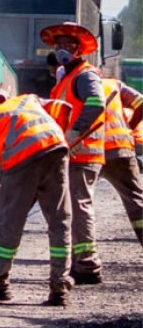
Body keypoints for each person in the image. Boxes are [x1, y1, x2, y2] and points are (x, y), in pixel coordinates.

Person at [0, 93, 73, 306]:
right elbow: (64, 107)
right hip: (56, 147)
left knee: (8, 224)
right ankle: (60, 289)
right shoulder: (27, 99)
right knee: (60, 222)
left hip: (21, 157)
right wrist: (68, 136)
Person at [40, 22, 107, 285]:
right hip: (69, 152)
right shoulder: (66, 76)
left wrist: (74, 133)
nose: (63, 49)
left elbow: (96, 103)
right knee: (72, 208)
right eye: (59, 44)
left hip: (83, 151)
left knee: (79, 208)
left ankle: (88, 266)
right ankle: (79, 262)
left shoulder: (85, 75)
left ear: (79, 50)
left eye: (69, 45)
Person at [99, 77, 143, 245]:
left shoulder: (68, 85)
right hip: (120, 148)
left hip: (88, 153)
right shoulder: (113, 85)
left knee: (78, 201)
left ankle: (80, 255)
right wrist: (129, 127)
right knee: (135, 200)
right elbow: (140, 102)